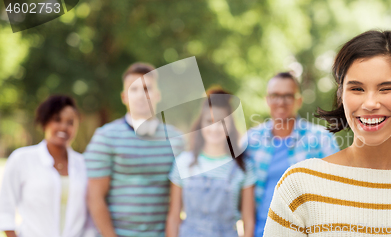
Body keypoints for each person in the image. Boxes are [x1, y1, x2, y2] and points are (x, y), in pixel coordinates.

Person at [263, 30, 391, 236]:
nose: (370, 103)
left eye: (386, 89)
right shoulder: (299, 185)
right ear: (341, 95)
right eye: (357, 89)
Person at [84, 62, 184, 237]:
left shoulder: (176, 140)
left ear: (158, 95)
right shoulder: (105, 137)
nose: (141, 95)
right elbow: (95, 198)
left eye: (147, 88)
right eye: (134, 89)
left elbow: (179, 202)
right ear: (124, 97)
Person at [245, 72, 340, 237]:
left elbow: (338, 190)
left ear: (299, 100)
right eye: (275, 95)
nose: (280, 102)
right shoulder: (251, 140)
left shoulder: (321, 139)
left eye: (288, 96)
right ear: (267, 99)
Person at [0, 95, 96, 237]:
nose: (64, 126)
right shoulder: (22, 159)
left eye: (70, 122)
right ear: (45, 122)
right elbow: (4, 206)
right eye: (57, 120)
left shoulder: (84, 164)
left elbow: (90, 215)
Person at [166, 88, 256, 237]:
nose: (215, 128)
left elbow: (248, 221)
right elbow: (174, 217)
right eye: (209, 121)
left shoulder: (243, 168)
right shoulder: (183, 163)